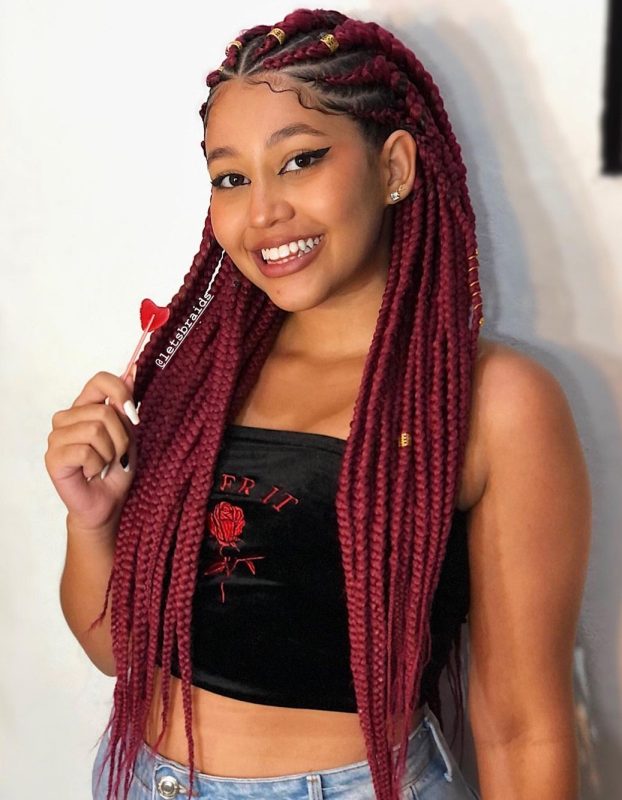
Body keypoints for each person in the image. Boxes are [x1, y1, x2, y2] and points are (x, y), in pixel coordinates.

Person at [44, 7, 592, 800]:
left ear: (394, 167)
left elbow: (520, 725)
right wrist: (91, 521)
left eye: (299, 161)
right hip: (140, 782)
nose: (263, 210)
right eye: (231, 178)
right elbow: (119, 653)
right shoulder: (199, 377)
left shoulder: (493, 402)